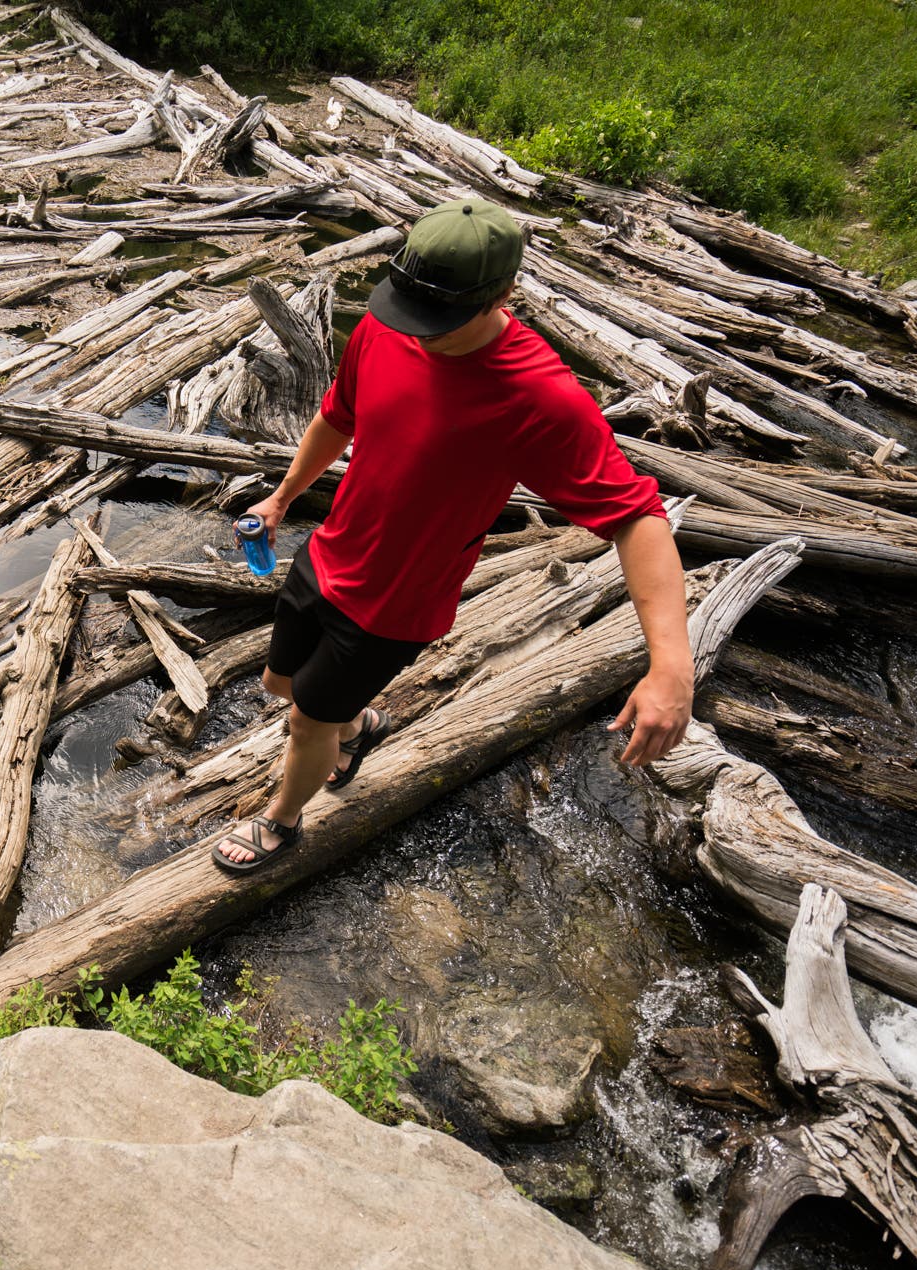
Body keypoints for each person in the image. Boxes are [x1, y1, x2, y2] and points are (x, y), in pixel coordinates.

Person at [211, 198, 693, 874]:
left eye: (437, 319)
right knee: (281, 685)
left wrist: (671, 666)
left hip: (394, 607)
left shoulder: (539, 399)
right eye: (410, 310)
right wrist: (282, 496)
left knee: (304, 724)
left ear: (503, 293)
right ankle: (358, 727)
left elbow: (637, 518)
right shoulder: (386, 328)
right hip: (329, 553)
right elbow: (336, 416)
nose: (420, 334)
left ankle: (282, 823)